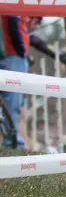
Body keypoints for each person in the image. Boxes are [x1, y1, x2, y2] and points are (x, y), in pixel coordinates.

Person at [0, 15, 31, 148]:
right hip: (12, 55)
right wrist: (22, 50)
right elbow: (13, 22)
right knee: (13, 102)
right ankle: (13, 145)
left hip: (8, 53)